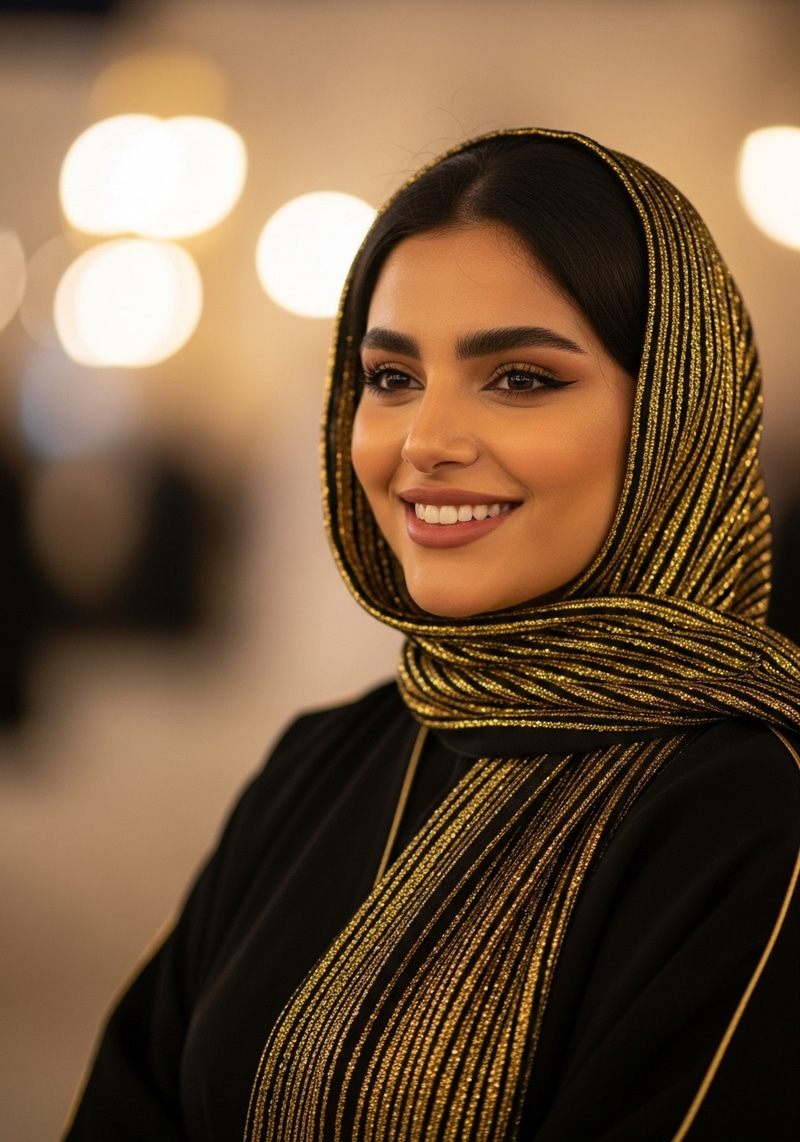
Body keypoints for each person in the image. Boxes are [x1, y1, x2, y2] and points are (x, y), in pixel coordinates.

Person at [64, 129, 800, 1142]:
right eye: (391, 377)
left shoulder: (756, 809)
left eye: (520, 378)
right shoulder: (326, 757)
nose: (424, 442)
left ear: (678, 417)